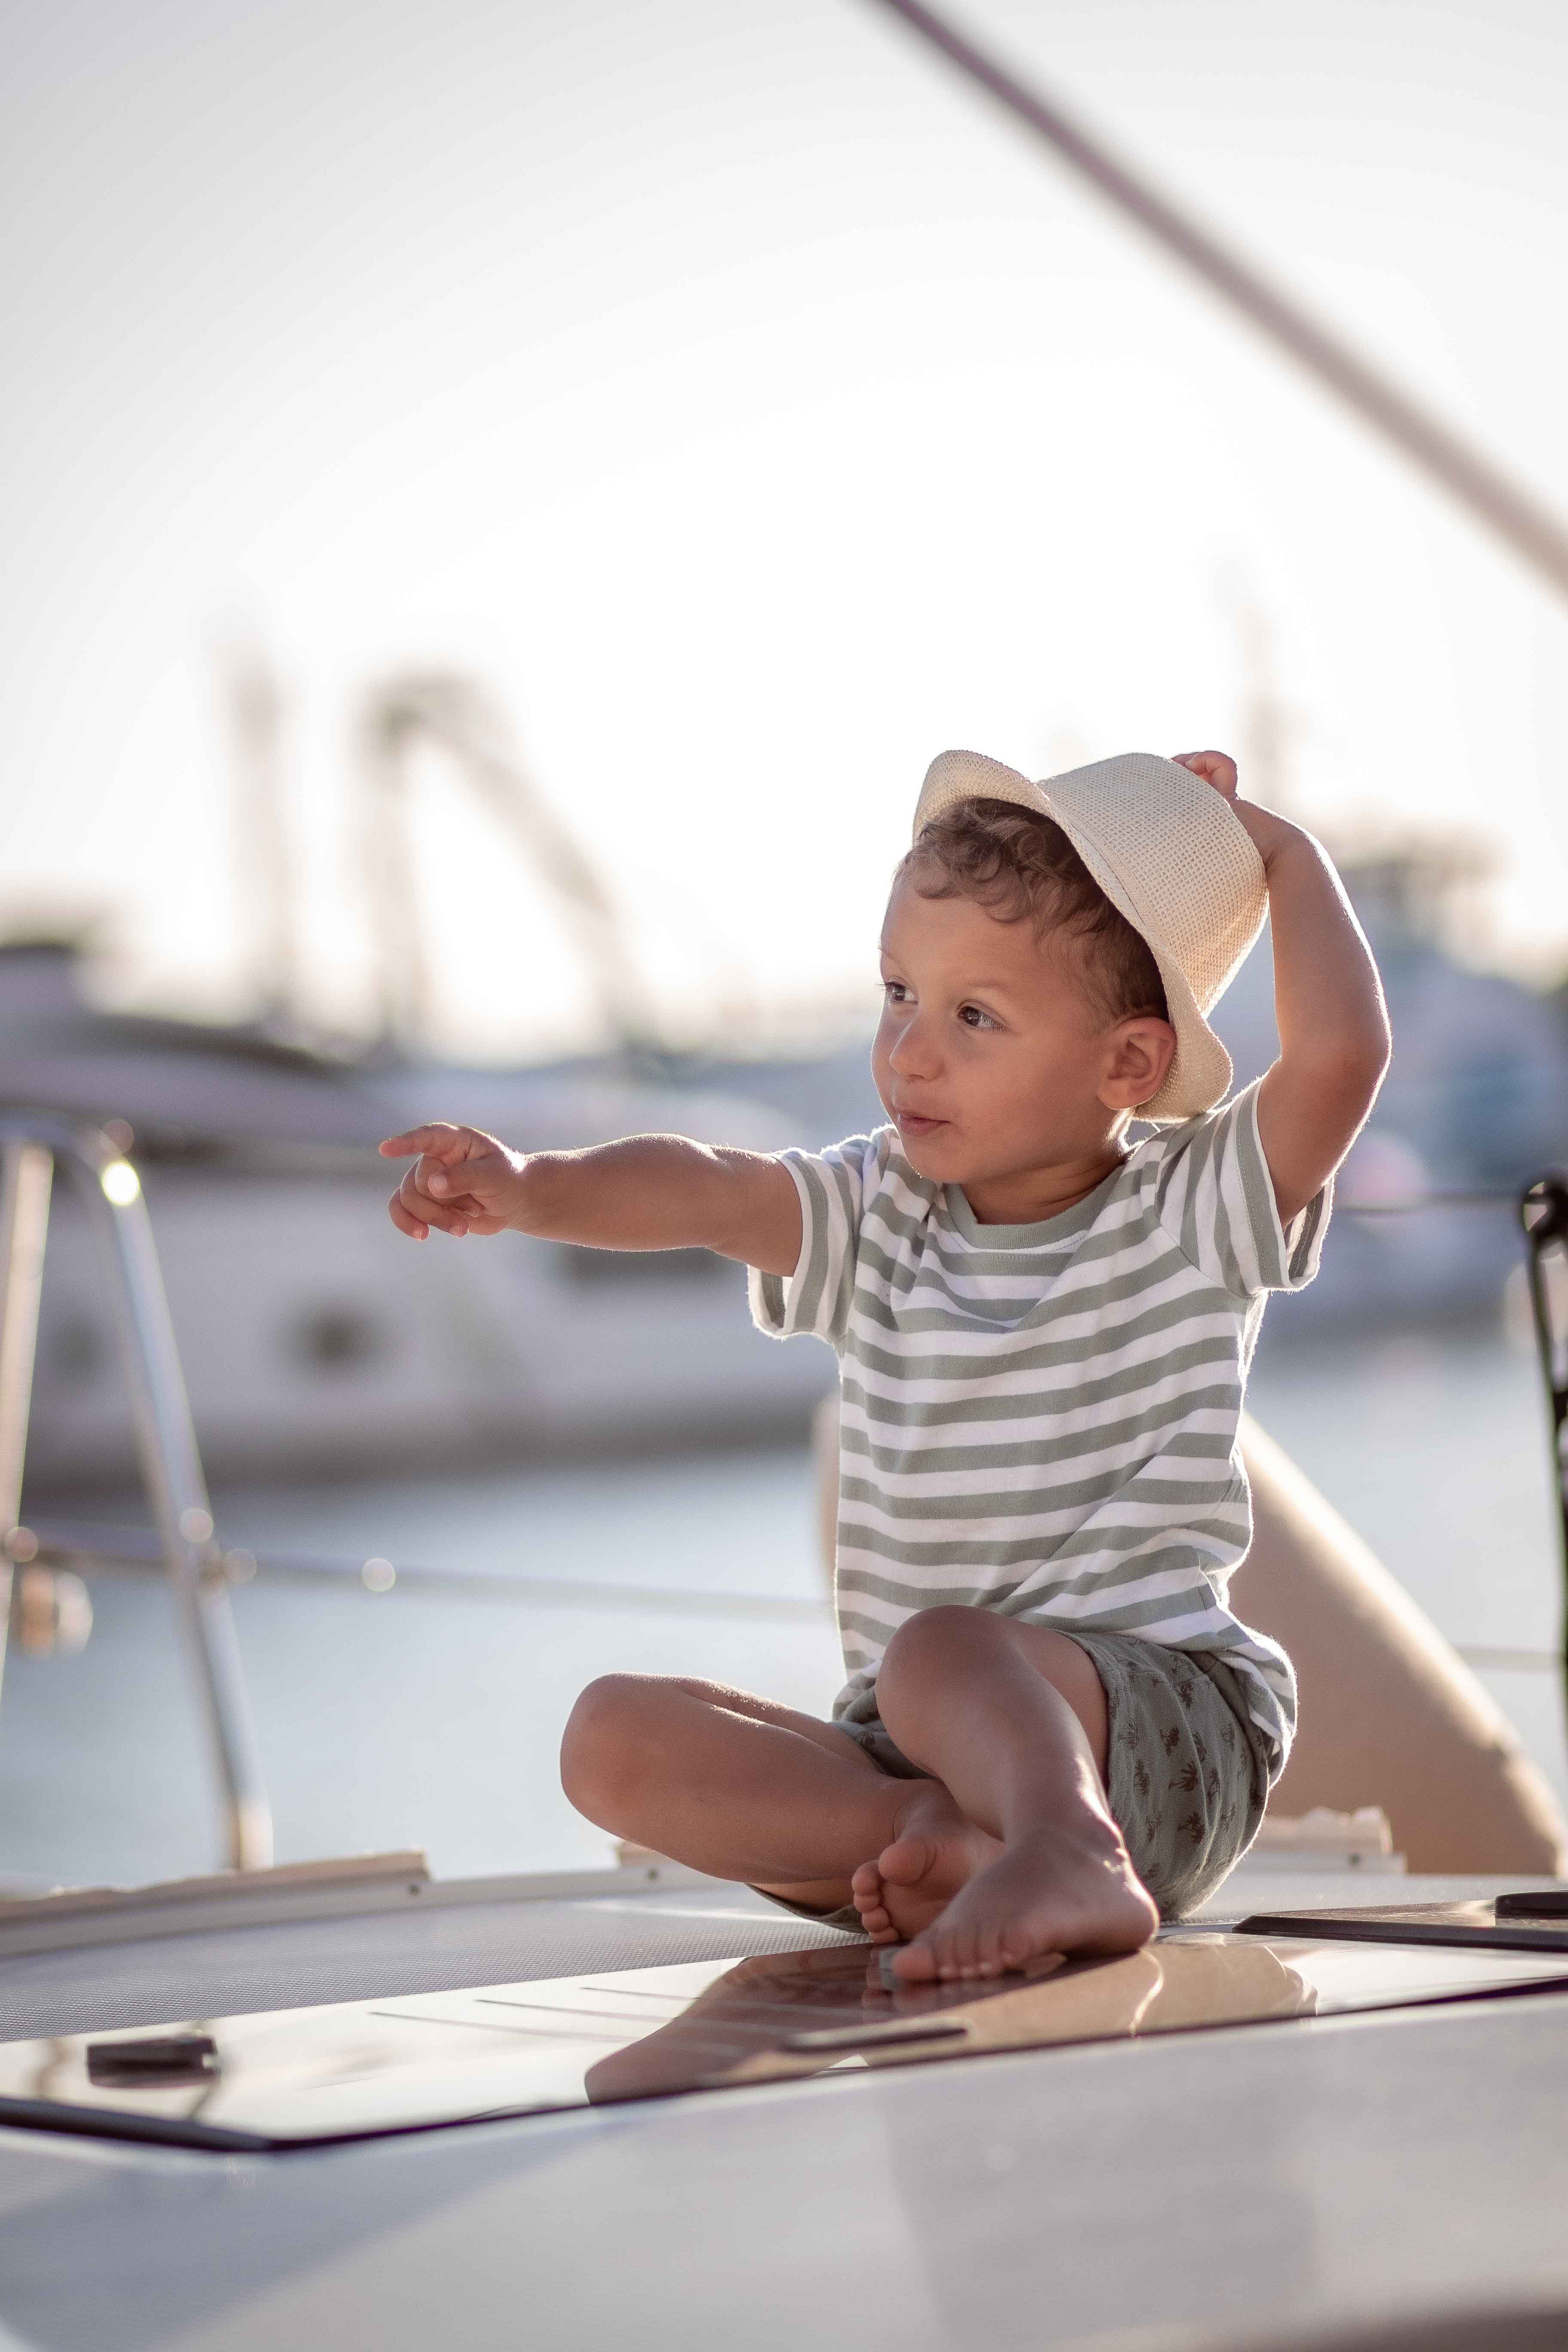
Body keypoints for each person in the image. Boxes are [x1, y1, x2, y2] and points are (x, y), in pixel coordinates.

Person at [379, 747, 1389, 1983]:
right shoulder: (879, 1210)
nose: (910, 1051)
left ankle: (1069, 1850)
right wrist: (534, 1187)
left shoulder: (1189, 1208)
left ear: (1126, 1067)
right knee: (612, 1738)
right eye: (898, 992)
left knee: (939, 1651)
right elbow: (709, 1188)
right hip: (917, 1748)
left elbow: (1339, 1059)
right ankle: (937, 1845)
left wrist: (1278, 853)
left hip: (1156, 1743)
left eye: (973, 1017)